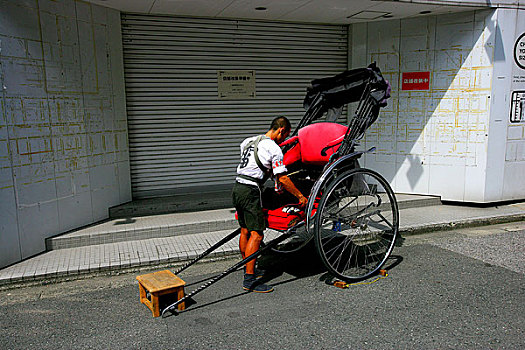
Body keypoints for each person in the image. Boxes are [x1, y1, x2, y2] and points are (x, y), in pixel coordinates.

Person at [232, 116, 308, 293]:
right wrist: (300, 196)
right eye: (285, 136)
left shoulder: (248, 141)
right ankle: (249, 280)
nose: (283, 140)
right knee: (257, 235)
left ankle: (248, 267)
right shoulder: (274, 148)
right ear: (281, 131)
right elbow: (282, 177)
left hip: (237, 187)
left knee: (245, 230)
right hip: (250, 191)